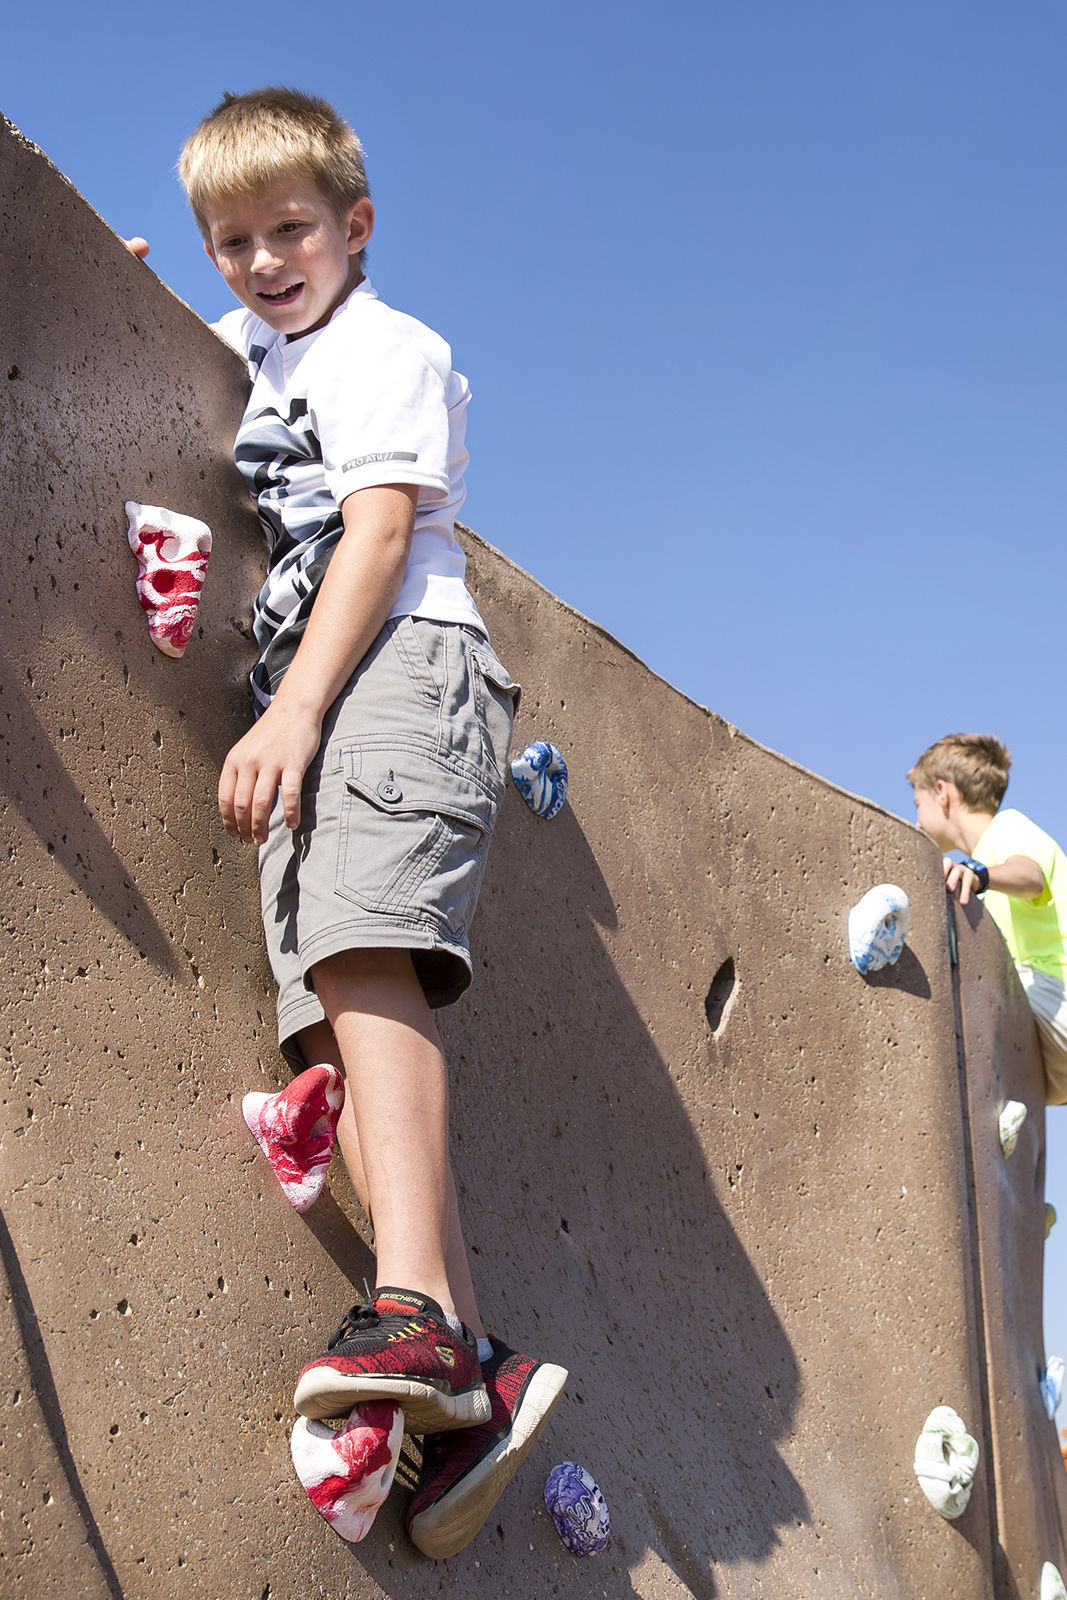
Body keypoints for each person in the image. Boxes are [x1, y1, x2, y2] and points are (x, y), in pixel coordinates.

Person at [138, 86, 567, 1556]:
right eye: (232, 242)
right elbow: (207, 363)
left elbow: (377, 533)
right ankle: (462, 1352)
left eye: (291, 232)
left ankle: (408, 1317)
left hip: (389, 662)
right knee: (324, 1005)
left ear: (356, 228)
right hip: (319, 682)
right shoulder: (269, 352)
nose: (262, 262)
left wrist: (298, 712)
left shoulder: (383, 346)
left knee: (368, 959)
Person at [908, 733, 1067, 1106]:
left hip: (1056, 999)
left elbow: (1030, 876)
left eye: (917, 804)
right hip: (1051, 1070)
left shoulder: (1005, 830)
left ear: (942, 792)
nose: (915, 821)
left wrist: (980, 874)